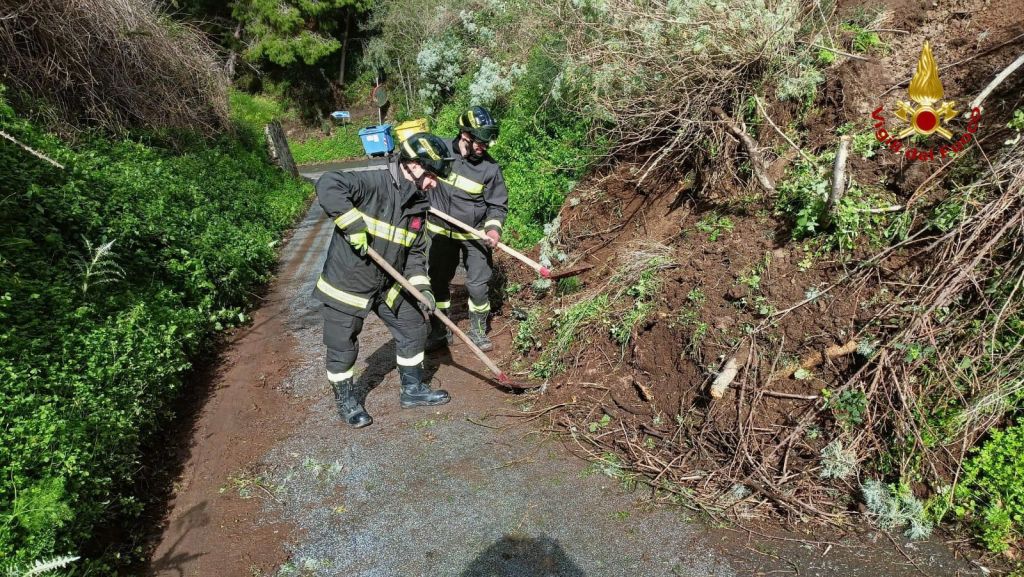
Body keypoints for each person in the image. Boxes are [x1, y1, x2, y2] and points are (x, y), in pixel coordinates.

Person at [314, 132, 453, 428]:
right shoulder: (372, 183)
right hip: (347, 284)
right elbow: (328, 182)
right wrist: (351, 222)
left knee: (414, 325)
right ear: (414, 166)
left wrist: (422, 288)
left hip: (386, 285)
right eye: (431, 175)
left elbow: (415, 253)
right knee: (342, 346)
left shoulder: (418, 206)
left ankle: (412, 390)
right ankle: (346, 400)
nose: (434, 183)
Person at [425, 105, 508, 352]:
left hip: (474, 235)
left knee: (477, 285)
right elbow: (414, 171)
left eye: (487, 142)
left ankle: (478, 331)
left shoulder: (490, 169)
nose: (485, 147)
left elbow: (497, 206)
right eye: (480, 142)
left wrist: (493, 230)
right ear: (465, 135)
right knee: (438, 282)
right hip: (440, 233)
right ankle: (440, 331)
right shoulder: (438, 151)